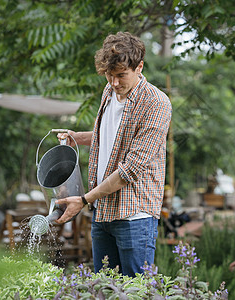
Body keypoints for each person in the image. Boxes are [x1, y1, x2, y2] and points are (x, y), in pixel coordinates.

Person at [54, 32, 172, 277]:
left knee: (135, 292)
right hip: (103, 210)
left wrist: (84, 200)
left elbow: (130, 169)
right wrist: (76, 137)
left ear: (139, 67)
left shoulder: (156, 103)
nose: (114, 82)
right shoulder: (108, 92)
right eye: (109, 75)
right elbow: (108, 137)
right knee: (103, 289)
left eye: (121, 75)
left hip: (134, 215)